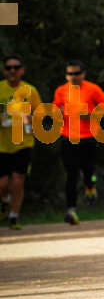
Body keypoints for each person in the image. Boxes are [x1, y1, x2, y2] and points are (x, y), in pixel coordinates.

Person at [53, 60, 104, 225]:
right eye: (70, 74)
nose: (73, 76)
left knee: (88, 171)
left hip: (89, 138)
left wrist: (91, 114)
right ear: (66, 75)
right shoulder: (61, 91)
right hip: (68, 138)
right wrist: (59, 111)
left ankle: (90, 187)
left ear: (83, 73)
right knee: (71, 175)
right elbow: (54, 110)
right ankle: (71, 210)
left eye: (76, 73)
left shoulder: (92, 89)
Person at [0, 54, 42, 229]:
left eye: (16, 68)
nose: (12, 71)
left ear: (22, 70)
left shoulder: (30, 90)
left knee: (18, 180)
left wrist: (29, 118)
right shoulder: (0, 89)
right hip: (2, 145)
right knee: (2, 184)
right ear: (4, 71)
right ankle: (5, 201)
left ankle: (13, 217)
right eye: (9, 68)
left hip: (24, 143)